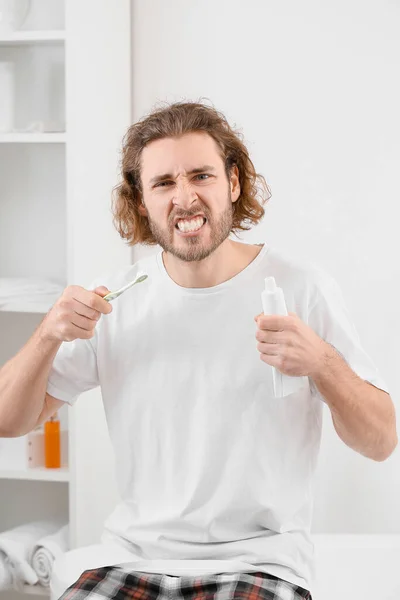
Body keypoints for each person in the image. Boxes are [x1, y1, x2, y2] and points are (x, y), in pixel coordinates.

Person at [0, 101, 397, 600]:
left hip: (261, 566)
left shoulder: (300, 288)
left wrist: (320, 362)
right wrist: (47, 335)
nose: (184, 198)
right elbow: (9, 420)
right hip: (133, 560)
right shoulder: (115, 300)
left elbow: (381, 440)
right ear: (142, 202)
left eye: (200, 176)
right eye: (163, 183)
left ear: (233, 183)